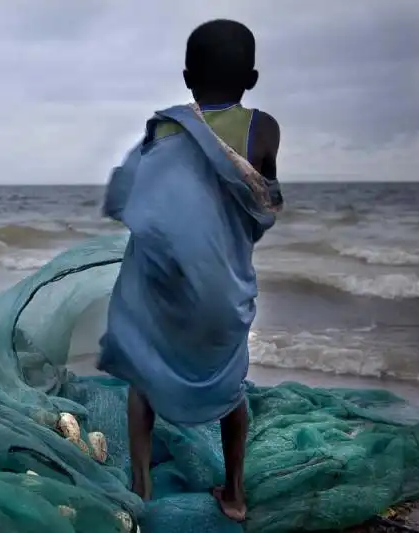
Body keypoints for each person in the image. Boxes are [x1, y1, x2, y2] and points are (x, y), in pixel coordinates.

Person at [97, 19, 282, 523]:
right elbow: (262, 201)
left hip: (165, 287)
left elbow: (136, 199)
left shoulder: (163, 127)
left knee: (143, 374)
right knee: (231, 383)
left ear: (186, 76)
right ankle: (236, 493)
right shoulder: (263, 128)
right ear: (252, 78)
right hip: (225, 289)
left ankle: (142, 485)